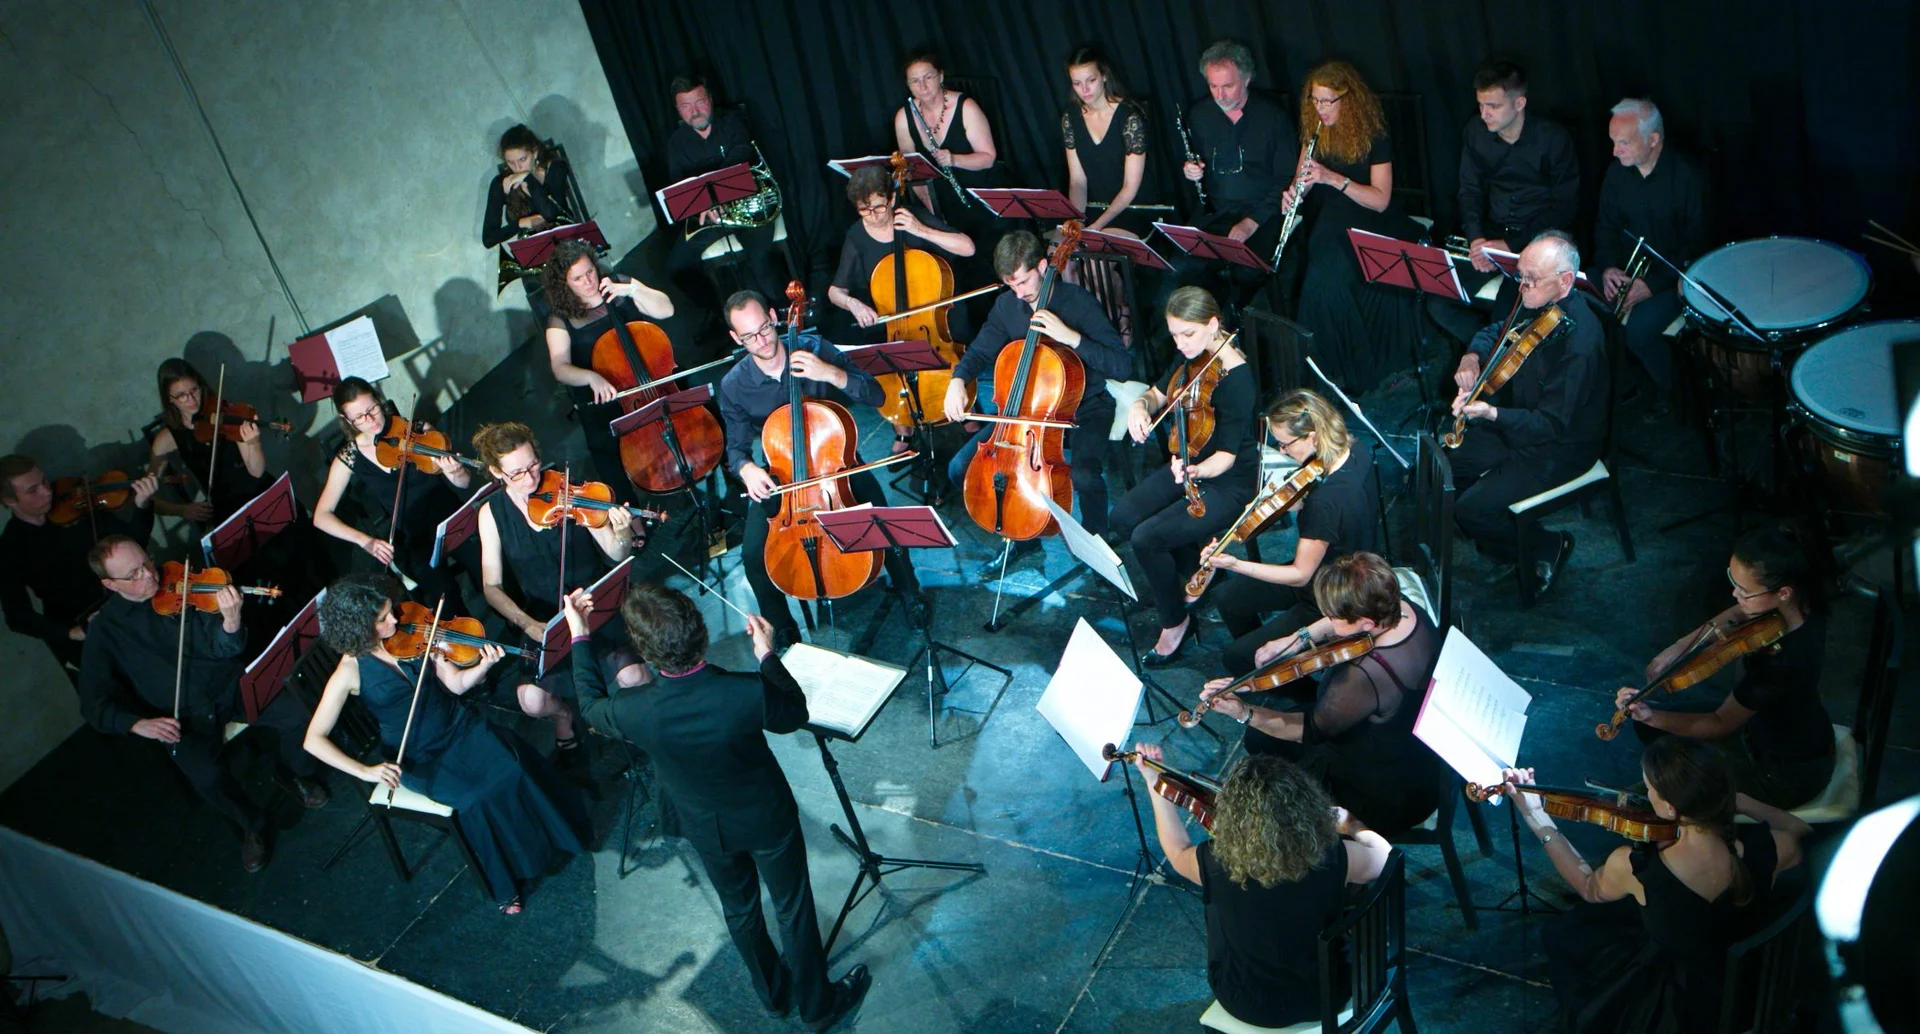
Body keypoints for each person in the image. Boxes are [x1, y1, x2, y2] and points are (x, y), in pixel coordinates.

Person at [564, 582, 872, 1030]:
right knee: (792, 907)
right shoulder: (745, 691)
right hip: (766, 818)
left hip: (705, 825)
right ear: (702, 633)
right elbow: (794, 714)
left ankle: (773, 996)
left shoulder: (635, 710)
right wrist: (767, 655)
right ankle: (817, 1006)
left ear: (647, 655)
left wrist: (579, 632)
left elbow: (590, 704)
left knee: (740, 910)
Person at [303, 574, 589, 915]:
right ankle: (504, 883)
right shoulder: (349, 672)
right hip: (418, 756)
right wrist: (365, 771)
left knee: (511, 765)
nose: (395, 619)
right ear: (358, 627)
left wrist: (484, 665)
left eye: (390, 610)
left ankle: (553, 838)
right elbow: (313, 740)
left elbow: (454, 686)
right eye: (382, 619)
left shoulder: (414, 632)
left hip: (459, 725)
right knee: (474, 799)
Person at [1506, 735, 1811, 1033]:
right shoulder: (1771, 848)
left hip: (1681, 1007)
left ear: (1669, 809)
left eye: (1649, 789)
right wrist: (1739, 801)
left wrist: (1536, 816)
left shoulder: (1636, 868)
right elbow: (1800, 828)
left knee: (1573, 933)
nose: (1644, 795)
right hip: (1750, 986)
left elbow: (1588, 887)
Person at [76, 535, 329, 872]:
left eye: (147, 562)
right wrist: (137, 723)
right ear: (109, 584)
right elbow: (92, 702)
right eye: (134, 574)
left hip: (228, 686)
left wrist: (231, 622)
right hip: (183, 716)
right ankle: (252, 826)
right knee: (206, 777)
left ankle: (290, 772)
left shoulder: (185, 584)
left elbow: (223, 647)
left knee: (300, 716)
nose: (150, 575)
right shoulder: (105, 629)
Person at [1131, 743, 1390, 1030]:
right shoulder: (1330, 855)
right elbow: (1385, 857)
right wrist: (1350, 823)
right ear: (1304, 805)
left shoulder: (1214, 861)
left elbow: (1177, 851)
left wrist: (1154, 782)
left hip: (1243, 1000)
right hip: (1324, 995)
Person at [718, 290, 927, 644]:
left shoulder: (814, 348)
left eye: (766, 329)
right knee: (753, 554)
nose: (762, 340)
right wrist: (747, 470)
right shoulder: (734, 385)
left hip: (836, 465)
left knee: (883, 524)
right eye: (750, 337)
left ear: (774, 316)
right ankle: (782, 627)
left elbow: (875, 395)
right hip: (781, 474)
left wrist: (831, 373)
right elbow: (736, 449)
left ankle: (909, 592)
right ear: (736, 339)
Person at [1196, 552, 1443, 834]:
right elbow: (1344, 615)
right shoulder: (1399, 607)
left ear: (1367, 624)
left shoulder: (1364, 675)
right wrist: (1297, 638)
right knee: (1262, 737)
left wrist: (1244, 712)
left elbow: (1310, 729)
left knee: (1263, 753)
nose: (1329, 621)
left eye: (1335, 618)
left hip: (1384, 788)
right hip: (1411, 744)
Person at [1614, 522, 1835, 809]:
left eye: (1744, 590)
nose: (1735, 595)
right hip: (1781, 730)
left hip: (1780, 772)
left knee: (1652, 795)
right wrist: (1681, 646)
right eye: (1734, 581)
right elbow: (1739, 612)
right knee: (1657, 737)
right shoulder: (1804, 601)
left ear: (1783, 592)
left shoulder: (1780, 663)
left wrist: (1649, 715)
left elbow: (1718, 724)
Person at [470, 421, 645, 762]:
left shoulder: (570, 490)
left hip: (595, 603)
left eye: (534, 464)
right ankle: (565, 716)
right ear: (496, 472)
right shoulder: (491, 513)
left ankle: (638, 724)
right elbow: (491, 587)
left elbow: (615, 553)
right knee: (531, 701)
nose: (531, 477)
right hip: (544, 618)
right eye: (517, 473)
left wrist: (622, 534)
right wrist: (527, 624)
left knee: (635, 677)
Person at [1448, 231, 1607, 597]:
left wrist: (1491, 414)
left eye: (1531, 280)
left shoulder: (1580, 344)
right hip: (1516, 419)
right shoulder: (1536, 300)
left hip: (1559, 445)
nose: (1522, 287)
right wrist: (1471, 357)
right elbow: (1496, 331)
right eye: (1520, 276)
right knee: (1445, 463)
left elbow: (1551, 424)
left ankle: (1545, 546)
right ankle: (1501, 540)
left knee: (1471, 510)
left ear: (1565, 281)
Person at [942, 231, 1132, 535]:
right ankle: (1020, 533)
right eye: (1010, 285)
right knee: (960, 468)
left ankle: (1098, 541)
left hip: (1085, 407)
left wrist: (1072, 338)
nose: (1018, 293)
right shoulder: (1007, 306)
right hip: (1024, 411)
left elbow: (1121, 365)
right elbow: (979, 351)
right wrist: (958, 380)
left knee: (1084, 475)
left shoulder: (1077, 302)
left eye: (1023, 282)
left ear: (1043, 266)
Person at [1112, 287, 1258, 666]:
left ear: (1213, 324)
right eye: (1174, 335)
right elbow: (1158, 393)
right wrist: (1139, 408)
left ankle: (1175, 621)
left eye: (1187, 334)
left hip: (1224, 480)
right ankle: (1195, 569)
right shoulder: (1193, 360)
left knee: (1146, 540)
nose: (1180, 344)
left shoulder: (1238, 379)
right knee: (1122, 518)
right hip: (1188, 463)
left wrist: (1194, 470)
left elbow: (1225, 457)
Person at [1205, 389, 1379, 677]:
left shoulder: (1325, 504)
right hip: (1349, 556)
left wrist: (1235, 564)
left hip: (1331, 592)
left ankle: (1287, 682)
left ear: (1312, 435)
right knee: (1227, 597)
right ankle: (1266, 654)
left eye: (1285, 444)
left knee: (1235, 658)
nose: (1282, 451)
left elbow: (1300, 575)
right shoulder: (1355, 448)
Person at [1282, 60, 1425, 394]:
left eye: (1327, 101)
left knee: (1328, 279)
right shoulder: (1314, 129)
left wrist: (1331, 178)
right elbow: (1301, 179)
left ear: (1347, 100)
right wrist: (1292, 195)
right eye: (1315, 100)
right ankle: (1325, 370)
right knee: (1319, 278)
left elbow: (1380, 200)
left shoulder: (1374, 134)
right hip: (1335, 215)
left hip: (1373, 218)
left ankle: (1353, 371)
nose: (1320, 108)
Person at [310, 378, 476, 610]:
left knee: (487, 566)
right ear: (348, 421)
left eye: (372, 409)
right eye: (359, 418)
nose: (369, 420)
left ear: (379, 400)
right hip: (411, 535)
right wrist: (364, 540)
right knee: (444, 594)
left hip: (447, 514)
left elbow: (464, 483)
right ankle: (469, 643)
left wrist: (456, 471)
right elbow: (321, 516)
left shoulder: (417, 431)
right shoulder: (348, 456)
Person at [1591, 98, 1709, 404]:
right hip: (1627, 271)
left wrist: (1653, 285)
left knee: (1639, 331)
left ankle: (1673, 392)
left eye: (1624, 143)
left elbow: (1697, 244)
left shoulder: (1688, 177)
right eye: (1613, 142)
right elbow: (1605, 228)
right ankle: (1621, 383)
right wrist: (1607, 269)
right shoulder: (1616, 174)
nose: (1615, 151)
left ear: (1653, 139)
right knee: (1582, 306)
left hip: (1671, 279)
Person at [542, 239, 675, 504]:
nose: (589, 281)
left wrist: (632, 289)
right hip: (608, 395)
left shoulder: (617, 284)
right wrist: (591, 376)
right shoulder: (561, 319)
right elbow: (560, 367)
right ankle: (628, 509)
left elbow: (667, 310)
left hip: (648, 379)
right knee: (604, 443)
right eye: (578, 278)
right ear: (564, 283)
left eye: (590, 271)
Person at [0, 454, 156, 678]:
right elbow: (18, 617)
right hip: (80, 626)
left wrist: (142, 505)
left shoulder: (79, 507)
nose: (48, 491)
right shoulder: (9, 549)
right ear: (10, 501)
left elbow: (134, 543)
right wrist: (71, 632)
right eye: (32, 490)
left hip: (124, 602)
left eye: (44, 481)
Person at [663, 74, 785, 309]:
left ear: (709, 98)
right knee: (676, 266)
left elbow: (742, 156)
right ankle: (717, 316)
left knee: (759, 262)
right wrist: (702, 205)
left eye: (699, 102)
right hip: (710, 217)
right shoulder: (676, 144)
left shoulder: (733, 122)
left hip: (751, 207)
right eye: (686, 106)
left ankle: (780, 311)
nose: (695, 111)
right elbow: (679, 186)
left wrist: (716, 195)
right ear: (678, 110)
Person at [1181, 40, 1298, 285]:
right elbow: (1196, 162)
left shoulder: (1274, 118)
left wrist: (1251, 222)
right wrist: (1191, 171)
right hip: (1215, 212)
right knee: (1182, 270)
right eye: (1213, 86)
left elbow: (1286, 178)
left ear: (1246, 79)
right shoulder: (1199, 115)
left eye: (1228, 86)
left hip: (1261, 213)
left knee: (1247, 275)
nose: (1219, 95)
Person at [825, 163, 976, 342]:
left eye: (879, 207)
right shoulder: (856, 236)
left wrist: (921, 230)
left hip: (942, 323)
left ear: (893, 199)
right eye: (864, 210)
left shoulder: (912, 217)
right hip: (895, 331)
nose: (873, 216)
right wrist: (852, 304)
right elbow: (835, 292)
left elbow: (968, 248)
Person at [1457, 61, 1579, 278]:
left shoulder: (1552, 139)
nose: (1485, 115)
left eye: (1494, 107)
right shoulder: (1475, 132)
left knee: (1513, 305)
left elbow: (1565, 206)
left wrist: (1510, 244)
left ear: (1520, 103)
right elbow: (1469, 190)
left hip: (1539, 238)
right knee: (1442, 297)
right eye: (1481, 105)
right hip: (1491, 234)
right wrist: (1476, 239)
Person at [893, 49, 1000, 248]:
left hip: (977, 194)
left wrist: (954, 160)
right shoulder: (903, 117)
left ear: (940, 76)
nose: (923, 86)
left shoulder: (966, 107)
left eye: (928, 77)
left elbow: (988, 158)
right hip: (935, 199)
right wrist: (932, 214)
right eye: (915, 81)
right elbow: (911, 172)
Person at [148, 357, 269, 525]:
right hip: (226, 511)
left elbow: (257, 472)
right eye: (181, 395)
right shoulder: (166, 439)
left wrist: (254, 444)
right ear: (170, 398)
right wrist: (182, 510)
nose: (191, 399)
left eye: (194, 390)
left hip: (259, 493)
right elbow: (148, 499)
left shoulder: (223, 413)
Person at [482, 123, 579, 320]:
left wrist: (529, 181)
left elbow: (553, 214)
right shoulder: (500, 183)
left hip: (567, 242)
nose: (517, 168)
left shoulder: (555, 168)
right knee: (540, 292)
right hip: (536, 258)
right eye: (511, 163)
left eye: (522, 160)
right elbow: (488, 238)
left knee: (567, 279)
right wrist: (520, 224)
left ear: (535, 152)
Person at [1062, 46, 1153, 239]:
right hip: (1093, 208)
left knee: (1097, 263)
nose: (1084, 90)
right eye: (1077, 83)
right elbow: (1078, 181)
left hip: (1131, 209)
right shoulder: (1071, 118)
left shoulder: (1129, 117)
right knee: (1061, 257)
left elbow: (1130, 187)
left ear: (1104, 76)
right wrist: (1078, 220)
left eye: (1091, 81)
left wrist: (1096, 227)